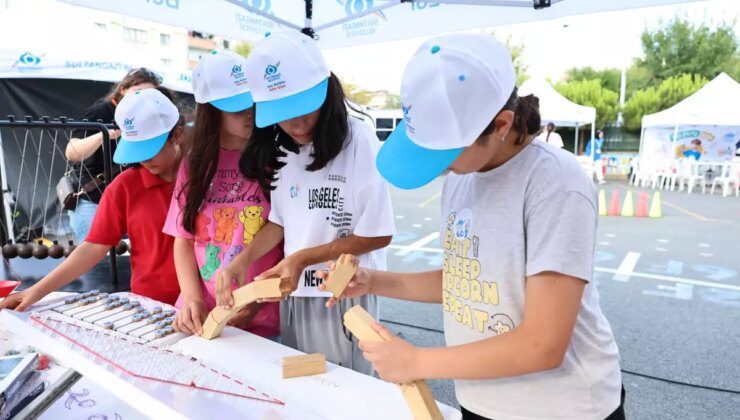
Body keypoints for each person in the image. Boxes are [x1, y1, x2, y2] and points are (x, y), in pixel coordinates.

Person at [320, 34, 624, 420]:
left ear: (501, 124)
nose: (439, 165)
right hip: (482, 399)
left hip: (562, 408)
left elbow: (543, 344)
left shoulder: (555, 184)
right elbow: (470, 282)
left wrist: (416, 361)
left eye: (445, 151)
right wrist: (373, 281)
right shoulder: (464, 177)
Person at [217, 31, 395, 374]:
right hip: (295, 295)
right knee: (305, 389)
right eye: (283, 114)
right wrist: (242, 260)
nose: (296, 124)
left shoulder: (359, 140)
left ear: (326, 92)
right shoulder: (283, 147)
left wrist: (302, 257)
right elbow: (280, 221)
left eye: (303, 109)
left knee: (348, 394)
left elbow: (379, 234)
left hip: (344, 294)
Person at [1, 88, 184, 311]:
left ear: (177, 135)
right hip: (151, 307)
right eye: (136, 149)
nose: (143, 158)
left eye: (150, 149)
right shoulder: (124, 187)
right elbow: (92, 248)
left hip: (208, 305)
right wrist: (37, 290)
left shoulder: (208, 178)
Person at [165, 50, 282, 338]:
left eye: (251, 104)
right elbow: (183, 239)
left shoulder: (276, 157)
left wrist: (255, 300)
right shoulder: (194, 164)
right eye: (236, 108)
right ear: (211, 112)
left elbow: (284, 228)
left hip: (261, 312)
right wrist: (192, 299)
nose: (249, 115)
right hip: (202, 314)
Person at [65, 68, 161, 242]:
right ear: (123, 89)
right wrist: (104, 134)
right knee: (95, 257)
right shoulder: (101, 111)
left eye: (150, 95)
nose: (142, 99)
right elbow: (72, 152)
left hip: (130, 200)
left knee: (125, 258)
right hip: (93, 200)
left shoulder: (148, 115)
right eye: (138, 92)